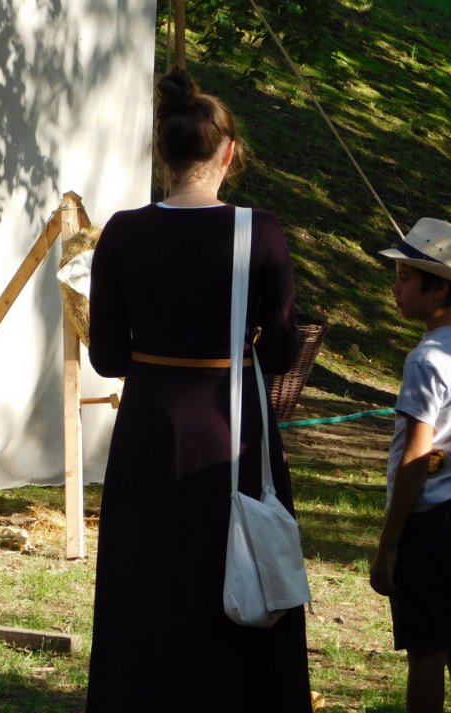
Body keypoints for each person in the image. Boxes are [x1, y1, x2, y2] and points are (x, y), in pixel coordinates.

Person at [85, 66, 309, 713]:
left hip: (151, 429)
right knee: (236, 564)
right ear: (229, 153)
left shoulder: (122, 232)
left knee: (146, 575)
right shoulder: (259, 231)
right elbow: (282, 352)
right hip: (232, 428)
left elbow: (107, 356)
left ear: (162, 151)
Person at [371, 218, 451, 713]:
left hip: (432, 525)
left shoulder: (427, 357)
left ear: (440, 287)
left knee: (426, 652)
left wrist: (389, 545)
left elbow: (415, 458)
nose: (396, 289)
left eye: (405, 278)